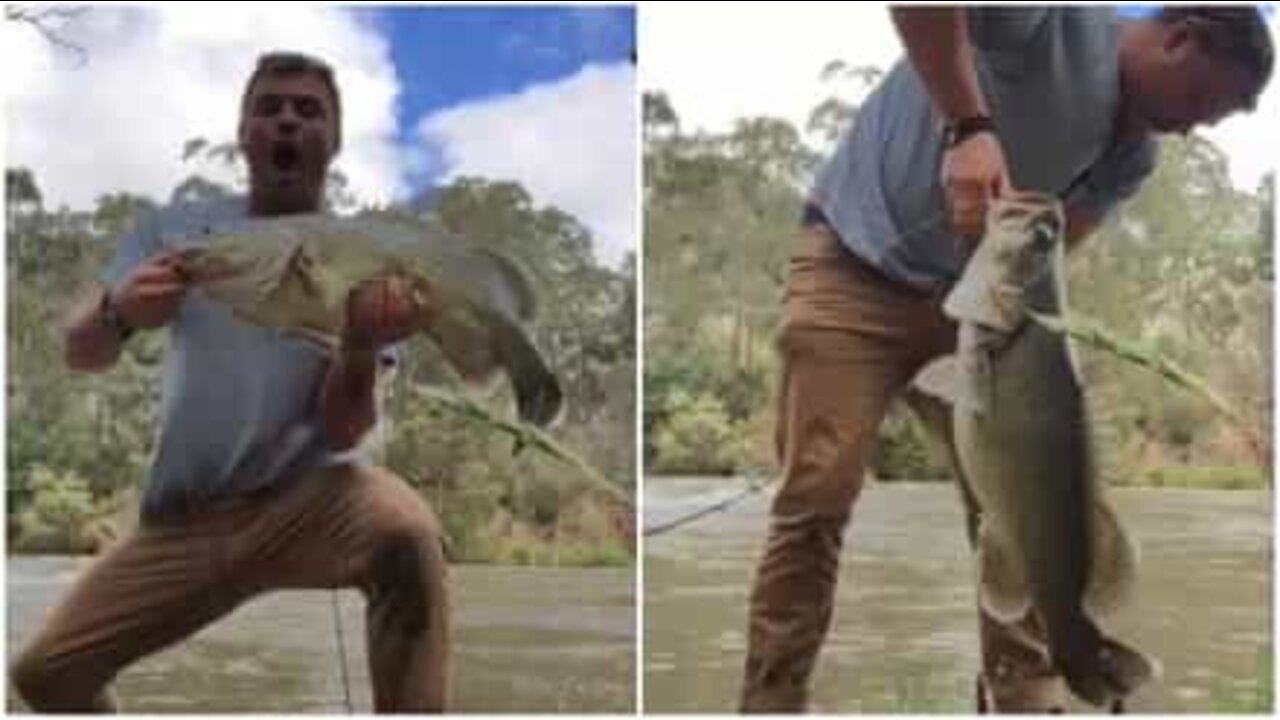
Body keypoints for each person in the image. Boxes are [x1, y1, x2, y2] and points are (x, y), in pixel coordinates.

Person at [740, 6, 1272, 713]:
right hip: (852, 265)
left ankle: (1031, 696)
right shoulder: (1056, 20)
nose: (1191, 128)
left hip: (976, 311)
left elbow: (1049, 257)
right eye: (1202, 103)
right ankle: (770, 702)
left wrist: (1003, 314)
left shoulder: (1132, 154)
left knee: (1019, 504)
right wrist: (968, 128)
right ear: (1179, 36)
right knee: (815, 498)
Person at [10, 51, 452, 713]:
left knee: (406, 535)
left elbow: (343, 428)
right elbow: (82, 352)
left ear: (332, 140)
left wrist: (358, 344)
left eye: (308, 110)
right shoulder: (178, 231)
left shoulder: (363, 257)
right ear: (243, 132)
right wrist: (118, 312)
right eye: (268, 107)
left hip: (311, 501)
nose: (286, 121)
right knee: (45, 676)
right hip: (183, 520)